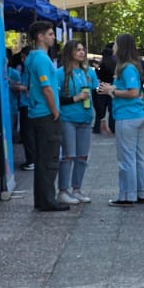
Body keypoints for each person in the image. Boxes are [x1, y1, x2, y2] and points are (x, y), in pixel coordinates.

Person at [24, 22, 65, 212]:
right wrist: (55, 111)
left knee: (42, 158)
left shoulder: (32, 57)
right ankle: (48, 199)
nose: (53, 37)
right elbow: (46, 88)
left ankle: (42, 198)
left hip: (37, 112)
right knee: (49, 158)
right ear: (40, 37)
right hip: (46, 113)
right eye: (50, 34)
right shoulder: (41, 59)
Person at [105, 33, 144, 206]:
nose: (113, 47)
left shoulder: (127, 68)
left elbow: (133, 92)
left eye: (115, 44)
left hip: (127, 116)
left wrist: (112, 91)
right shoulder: (132, 66)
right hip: (135, 115)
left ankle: (127, 195)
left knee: (126, 158)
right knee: (137, 157)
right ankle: (141, 192)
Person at [56, 40, 97, 205]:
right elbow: (56, 98)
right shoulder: (60, 74)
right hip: (68, 119)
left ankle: (77, 189)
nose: (82, 52)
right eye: (78, 50)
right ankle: (63, 190)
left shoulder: (89, 73)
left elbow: (97, 93)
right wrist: (76, 98)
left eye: (83, 50)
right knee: (68, 155)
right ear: (70, 52)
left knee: (82, 156)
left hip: (86, 118)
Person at [94, 44, 116, 135]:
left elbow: (99, 76)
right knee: (111, 109)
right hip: (111, 86)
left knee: (100, 109)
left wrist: (96, 69)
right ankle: (112, 127)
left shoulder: (103, 64)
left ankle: (97, 127)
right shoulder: (115, 64)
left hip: (102, 87)